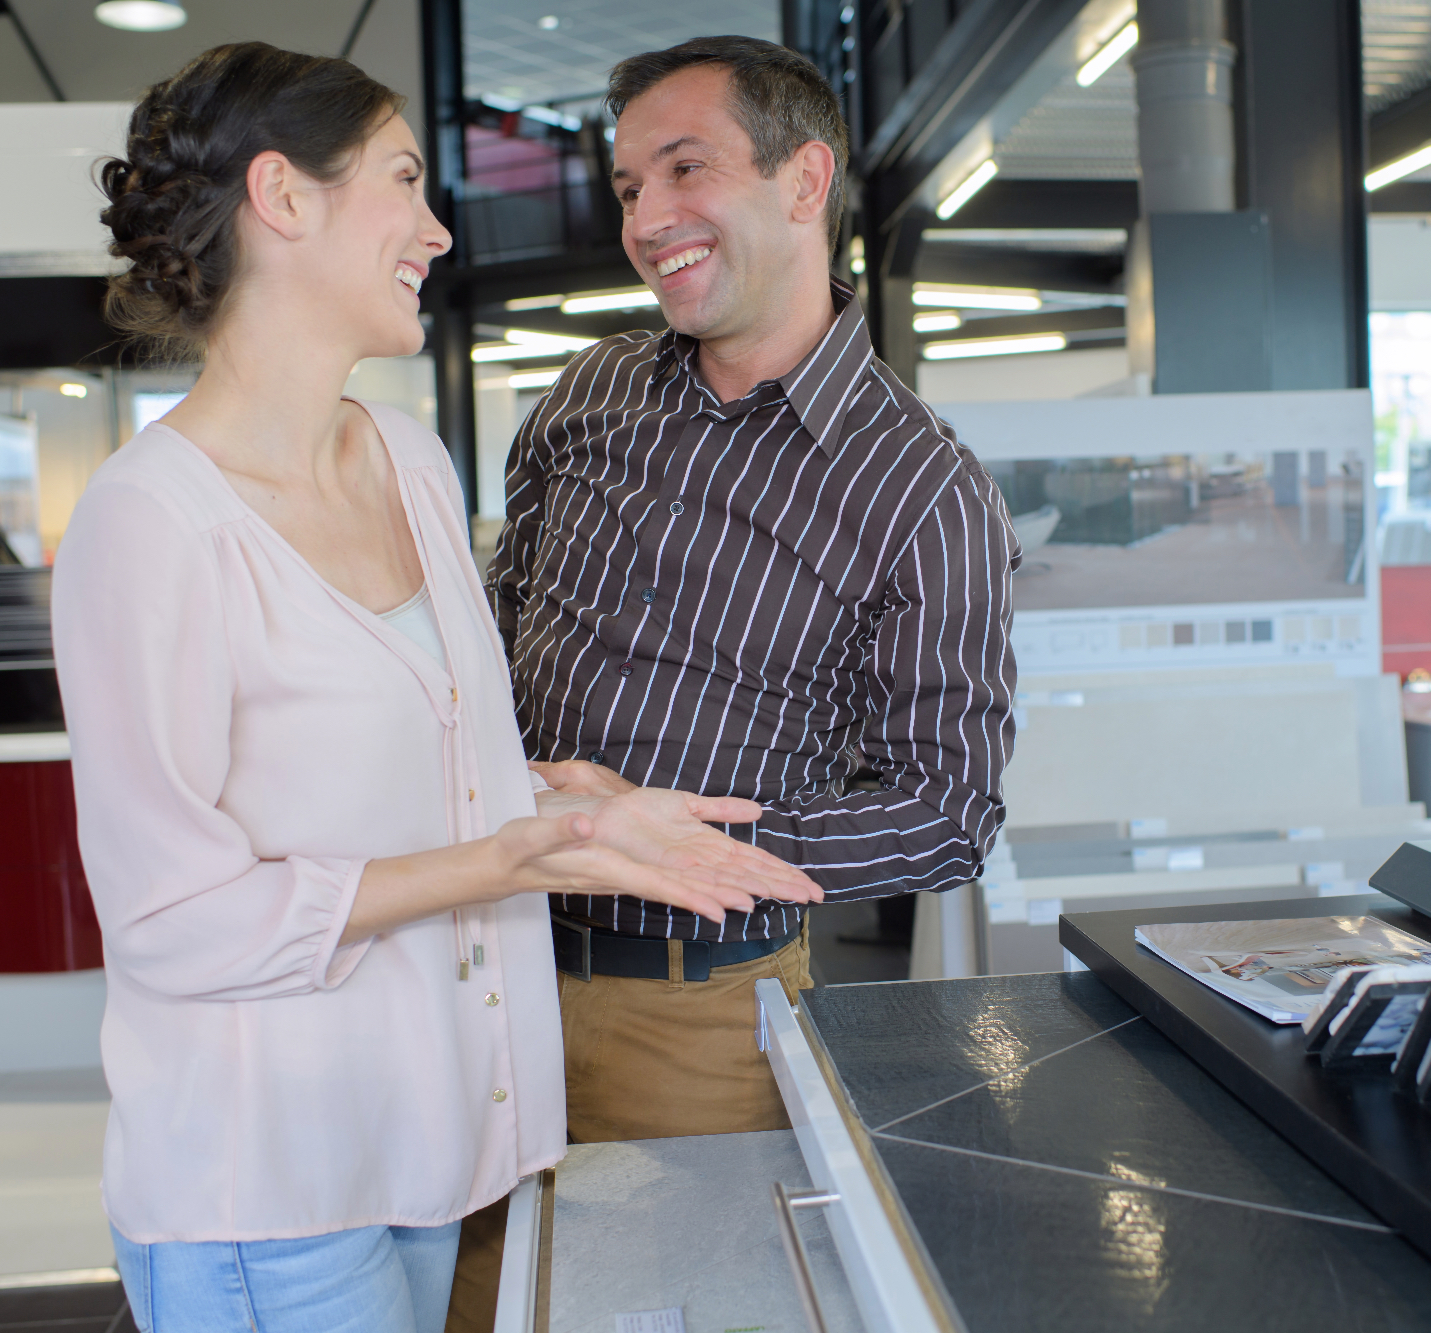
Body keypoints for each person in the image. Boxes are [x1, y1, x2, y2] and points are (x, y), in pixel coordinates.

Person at [51, 43, 819, 1333]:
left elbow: (413, 777)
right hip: (268, 1191)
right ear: (284, 199)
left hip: (435, 1149)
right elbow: (171, 920)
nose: (437, 227)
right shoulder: (151, 523)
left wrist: (568, 811)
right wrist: (514, 860)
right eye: (404, 181)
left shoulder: (407, 459)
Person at [452, 32, 1019, 1326]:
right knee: (476, 1308)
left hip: (701, 1020)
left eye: (683, 169)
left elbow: (947, 807)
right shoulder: (585, 398)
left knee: (704, 1306)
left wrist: (680, 842)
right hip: (480, 975)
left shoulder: (925, 490)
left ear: (804, 179)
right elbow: (482, 647)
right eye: (627, 186)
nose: (647, 220)